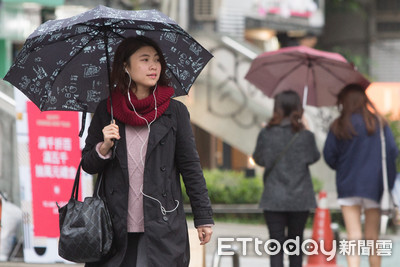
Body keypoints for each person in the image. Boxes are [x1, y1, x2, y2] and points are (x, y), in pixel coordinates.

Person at [81, 36, 214, 267]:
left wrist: (203, 218)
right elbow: (88, 165)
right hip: (114, 225)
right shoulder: (107, 109)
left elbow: (190, 167)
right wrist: (104, 147)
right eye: (144, 60)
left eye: (157, 60)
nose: (153, 66)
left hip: (162, 222)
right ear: (125, 66)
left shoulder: (175, 112)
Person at [323, 83, 398, 267]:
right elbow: (392, 152)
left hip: (347, 185)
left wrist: (342, 168)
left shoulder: (339, 124)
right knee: (372, 237)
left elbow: (329, 155)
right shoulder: (378, 123)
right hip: (374, 186)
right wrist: (386, 181)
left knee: (353, 236)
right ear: (364, 100)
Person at [252, 90, 320, 267]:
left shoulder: (266, 133)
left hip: (273, 198)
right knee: (295, 247)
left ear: (277, 108)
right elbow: (314, 157)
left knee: (276, 247)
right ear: (298, 108)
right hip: (300, 199)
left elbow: (259, 159)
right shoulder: (305, 136)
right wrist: (305, 129)